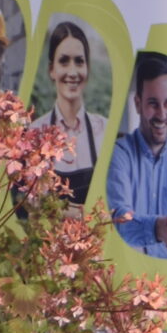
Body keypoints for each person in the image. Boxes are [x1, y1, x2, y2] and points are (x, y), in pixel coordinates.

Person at [108, 54, 167, 257]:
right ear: (138, 104)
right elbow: (118, 219)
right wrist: (159, 229)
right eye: (153, 104)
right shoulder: (118, 155)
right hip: (129, 271)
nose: (162, 114)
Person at [37, 20, 105, 204]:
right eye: (64, 61)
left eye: (79, 61)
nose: (73, 72)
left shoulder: (104, 130)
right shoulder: (35, 133)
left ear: (87, 69)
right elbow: (31, 205)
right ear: (52, 70)